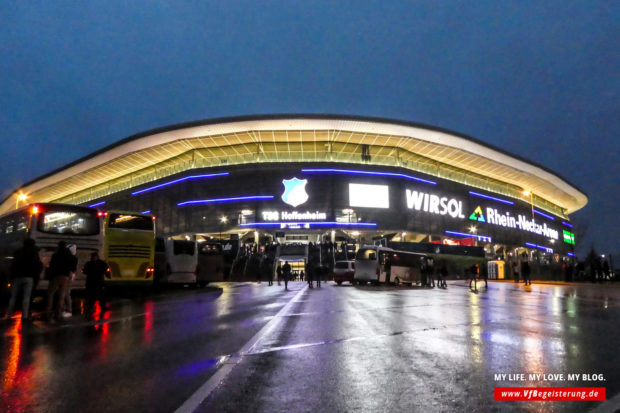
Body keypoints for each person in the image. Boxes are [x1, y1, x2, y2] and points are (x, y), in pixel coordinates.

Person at [5, 238, 42, 321]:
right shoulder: (34, 253)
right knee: (26, 297)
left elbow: (13, 266)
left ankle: (9, 315)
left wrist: (11, 277)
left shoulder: (18, 252)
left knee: (13, 297)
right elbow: (37, 266)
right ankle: (24, 316)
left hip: (17, 277)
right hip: (29, 278)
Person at [45, 241, 78, 322]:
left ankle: (48, 311)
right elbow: (73, 267)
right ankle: (59, 312)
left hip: (56, 276)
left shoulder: (56, 254)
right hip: (65, 277)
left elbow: (52, 265)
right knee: (62, 295)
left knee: (50, 293)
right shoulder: (70, 256)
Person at [62, 243, 77, 317]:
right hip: (70, 275)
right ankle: (65, 309)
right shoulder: (74, 257)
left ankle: (68, 310)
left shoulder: (71, 257)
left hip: (69, 275)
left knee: (66, 292)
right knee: (66, 292)